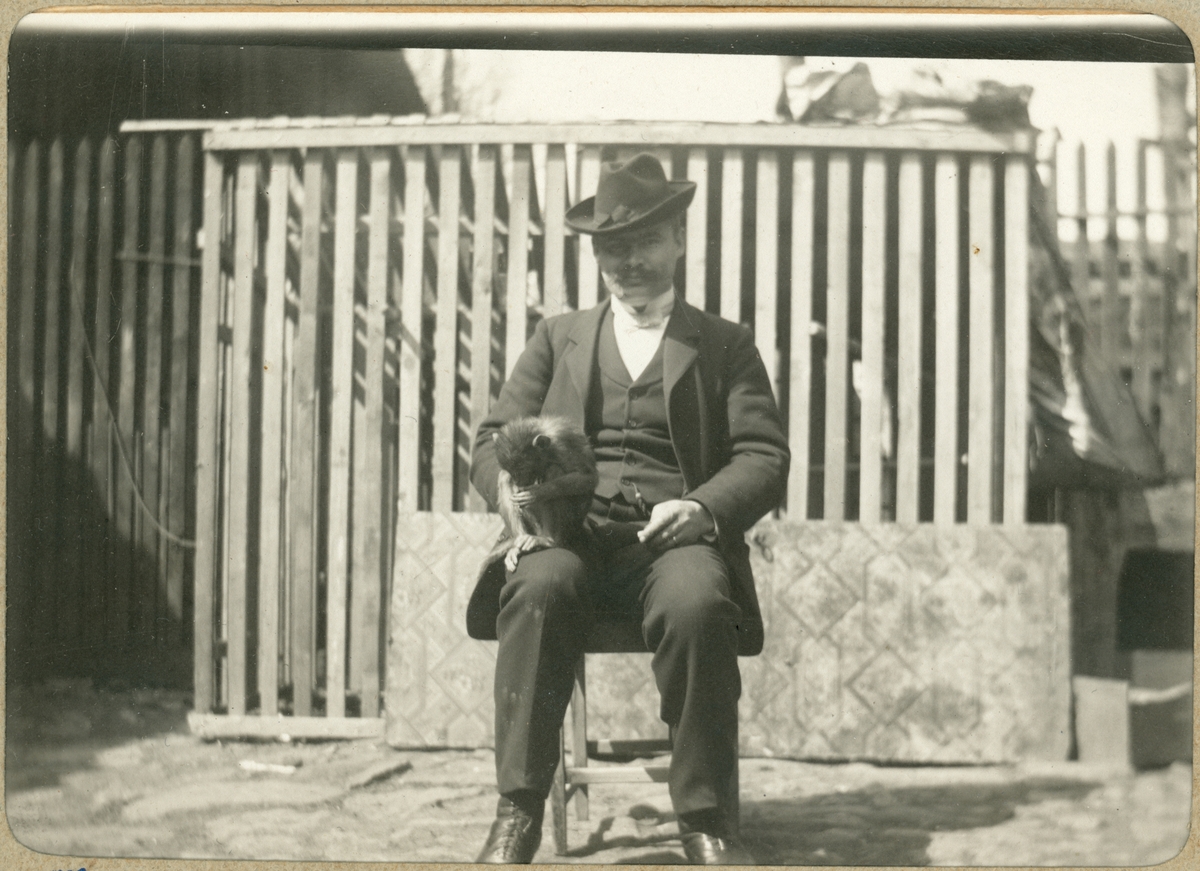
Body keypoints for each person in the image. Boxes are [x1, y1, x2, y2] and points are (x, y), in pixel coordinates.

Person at [467, 152, 790, 864]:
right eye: (614, 247)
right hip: (571, 538)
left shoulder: (724, 344)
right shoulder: (558, 337)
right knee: (537, 586)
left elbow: (764, 457)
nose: (630, 260)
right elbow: (490, 441)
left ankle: (705, 818)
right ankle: (518, 810)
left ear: (679, 240)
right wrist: (519, 508)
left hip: (673, 544)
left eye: (646, 241)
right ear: (596, 255)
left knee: (698, 602)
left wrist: (702, 508)